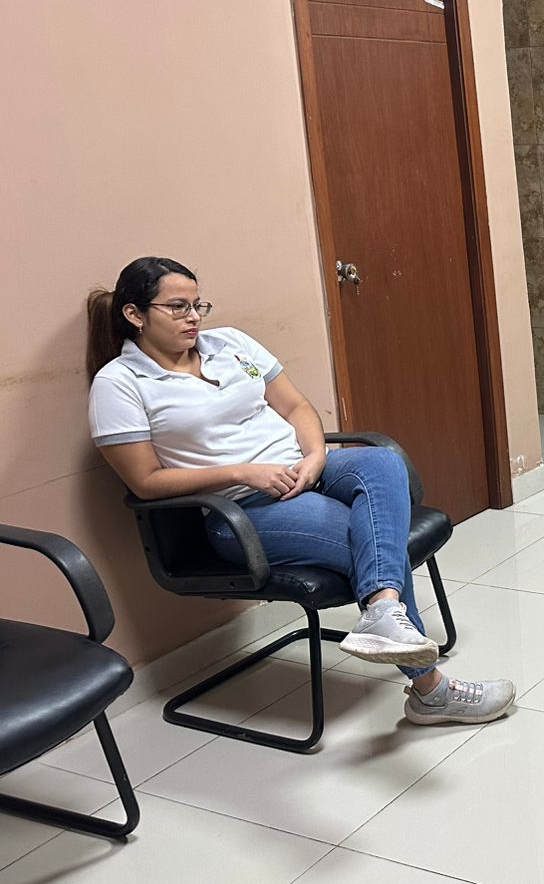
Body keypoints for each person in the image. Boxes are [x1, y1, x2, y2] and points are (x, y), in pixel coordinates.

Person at [86, 256, 514, 726]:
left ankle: (383, 612)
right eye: (177, 307)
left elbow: (295, 406)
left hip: (305, 471)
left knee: (380, 460)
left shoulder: (230, 344)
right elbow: (145, 480)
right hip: (241, 511)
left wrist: (314, 457)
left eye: (197, 305)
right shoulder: (119, 383)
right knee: (369, 541)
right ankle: (431, 691)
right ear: (134, 314)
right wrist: (245, 473)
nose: (193, 317)